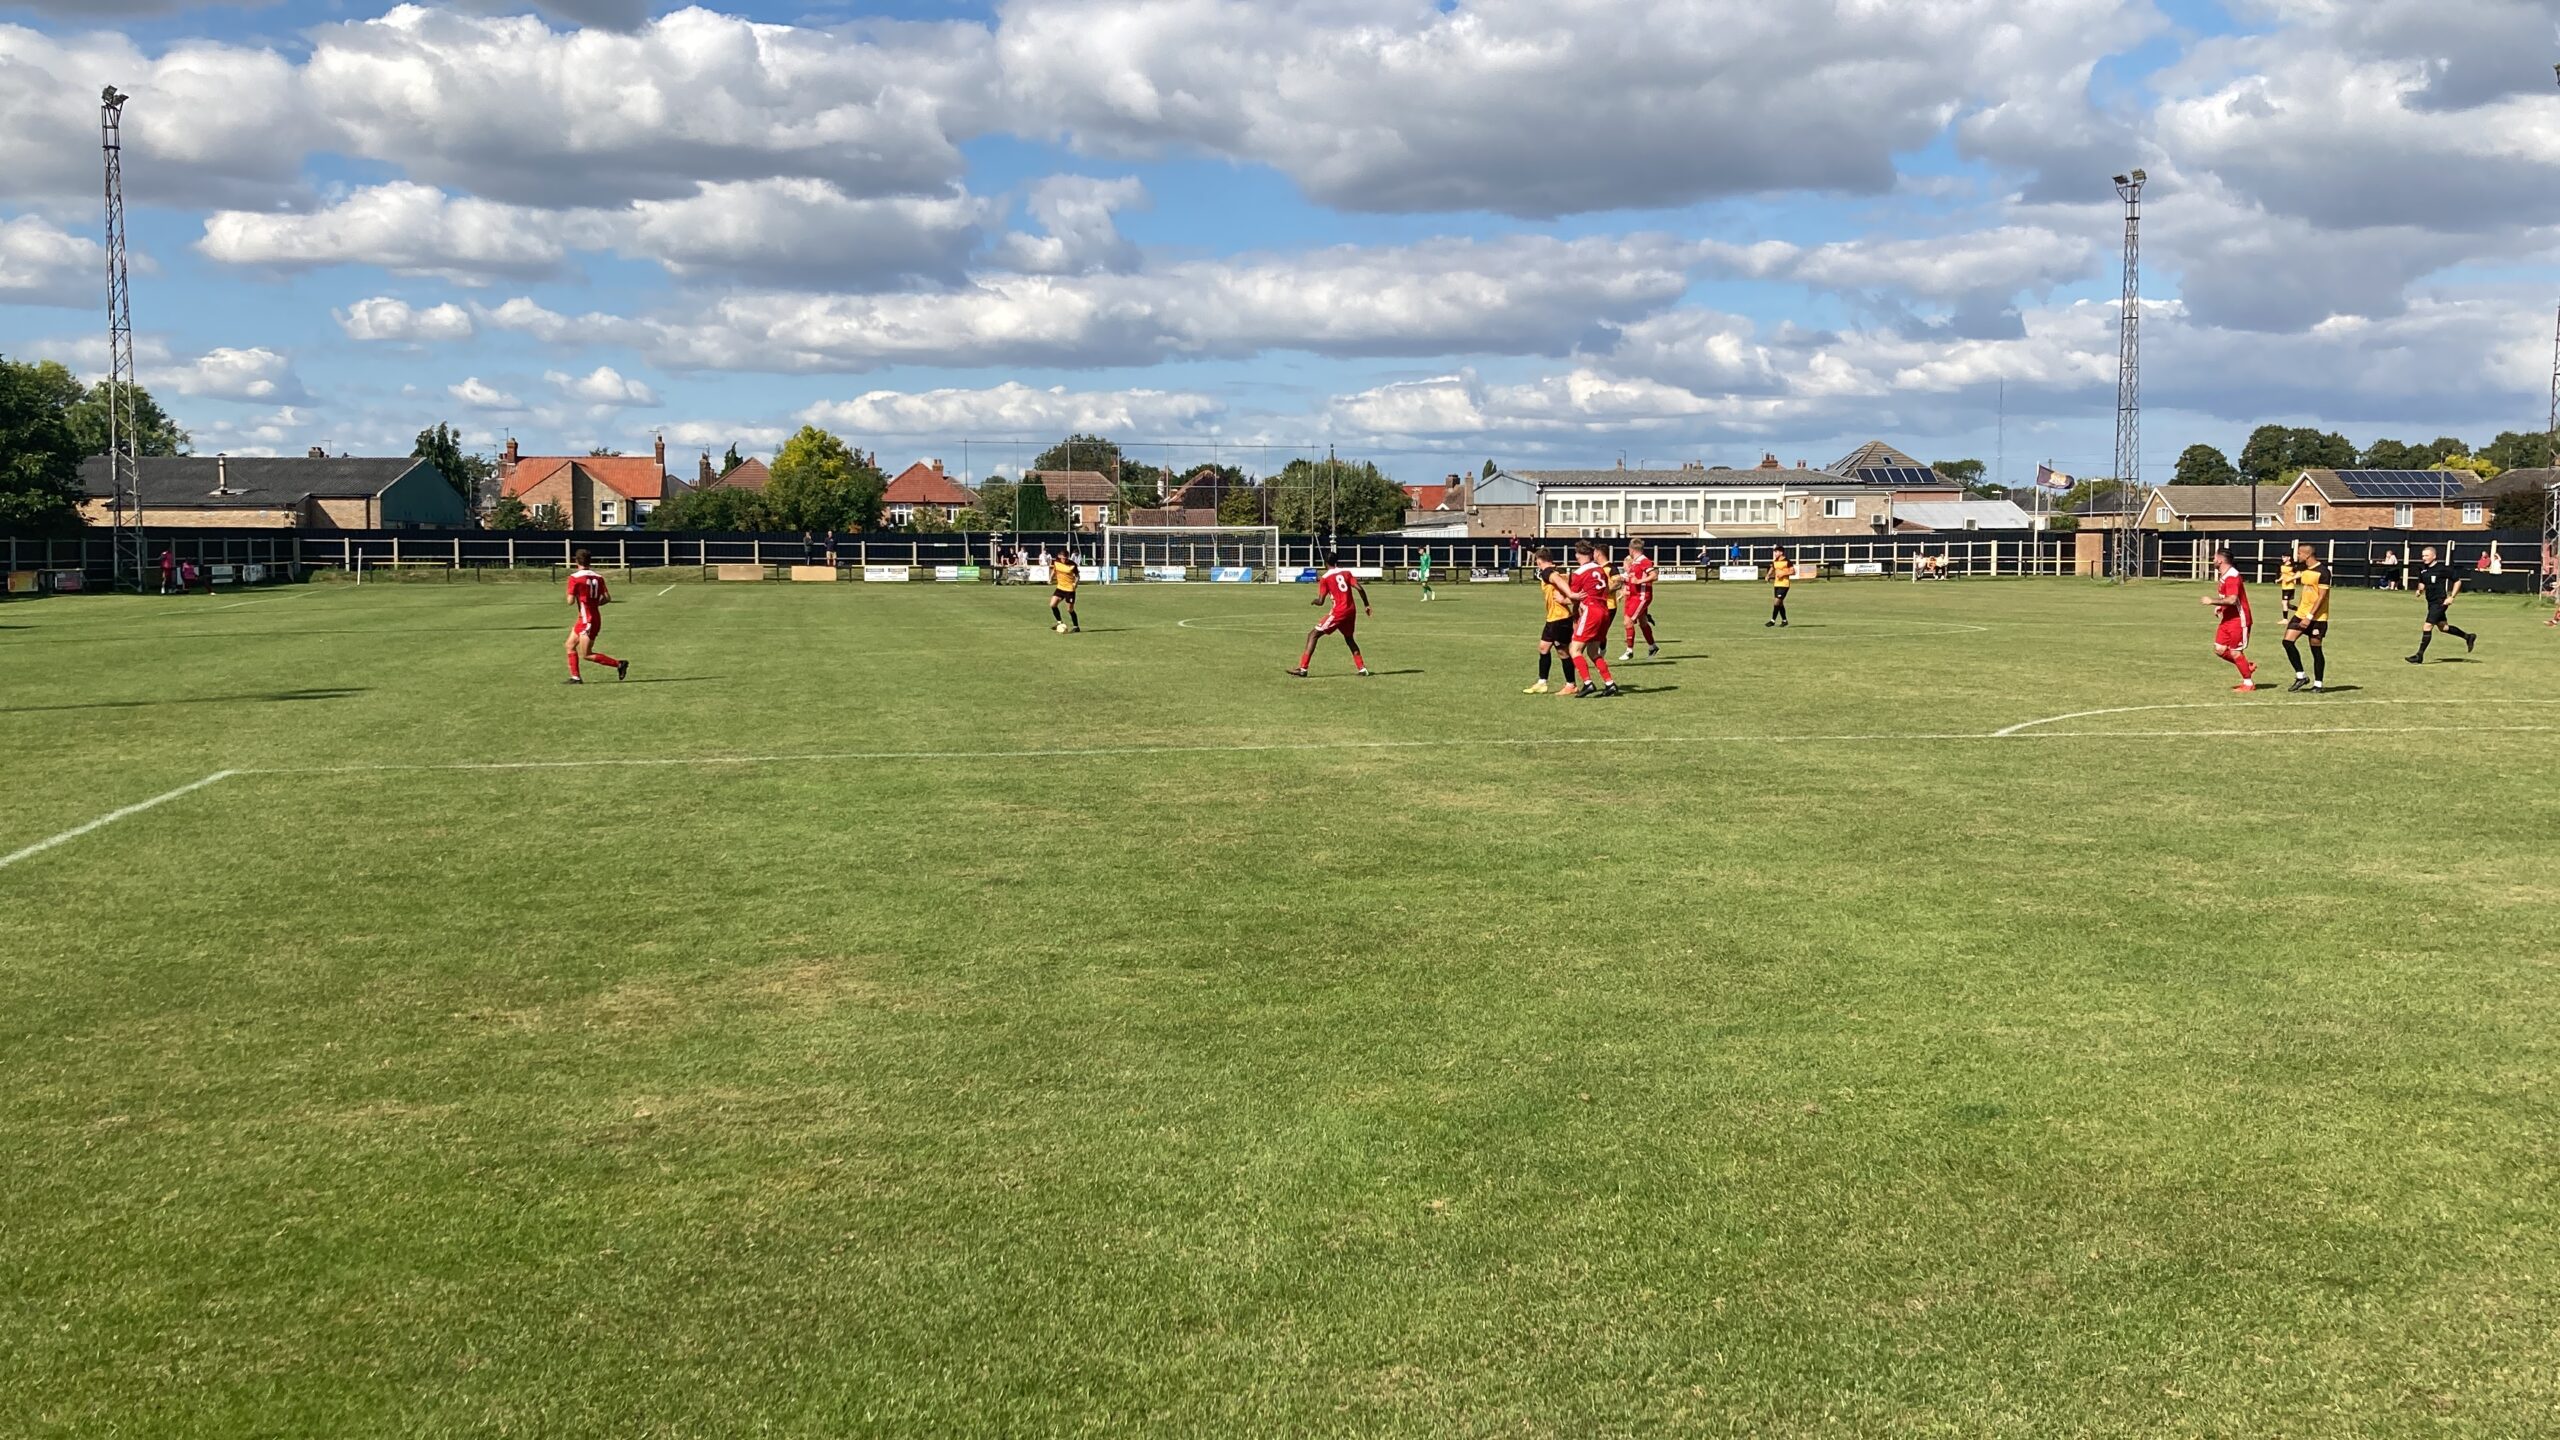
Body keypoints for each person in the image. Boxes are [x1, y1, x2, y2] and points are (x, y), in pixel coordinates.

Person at [1290, 553, 1371, 677]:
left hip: (1339, 612)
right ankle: (1362, 668)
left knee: (1313, 635)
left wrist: (1314, 601)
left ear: (1325, 563)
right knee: (1349, 638)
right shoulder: (1346, 573)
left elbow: (1321, 601)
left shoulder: (1325, 578)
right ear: (1336, 561)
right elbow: (1359, 588)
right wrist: (1366, 605)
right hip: (1351, 611)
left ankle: (1303, 668)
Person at [563, 549, 629, 684]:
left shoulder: (574, 578)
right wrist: (593, 605)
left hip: (587, 620)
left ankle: (619, 664)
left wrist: (572, 594)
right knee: (569, 645)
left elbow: (570, 601)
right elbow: (607, 598)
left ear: (576, 561)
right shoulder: (598, 577)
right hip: (589, 617)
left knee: (586, 654)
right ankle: (575, 677)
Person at [1565, 542, 1620, 697]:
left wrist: (1563, 600)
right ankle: (1610, 684)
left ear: (1577, 555)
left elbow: (1574, 597)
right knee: (1593, 651)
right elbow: (1607, 588)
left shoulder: (1578, 573)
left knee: (1574, 650)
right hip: (1605, 611)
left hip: (1591, 611)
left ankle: (1588, 683)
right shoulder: (1600, 569)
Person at [2406, 544, 2478, 664]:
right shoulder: (2423, 569)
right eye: (2423, 556)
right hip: (2431, 602)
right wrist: (2420, 590)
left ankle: (2419, 656)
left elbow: (2457, 581)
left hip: (2440, 602)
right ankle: (2468, 637)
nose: (2424, 558)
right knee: (2443, 627)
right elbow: (2422, 582)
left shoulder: (2443, 568)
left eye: (2426, 556)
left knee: (2427, 626)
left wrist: (2451, 597)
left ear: (2434, 556)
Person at [2201, 547, 2257, 691]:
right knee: (2219, 649)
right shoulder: (2225, 575)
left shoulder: (2232, 576)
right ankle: (2246, 666)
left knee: (2235, 651)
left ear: (2220, 560)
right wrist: (2220, 607)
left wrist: (2212, 601)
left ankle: (2248, 684)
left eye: (2214, 558)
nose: (2213, 560)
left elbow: (2232, 599)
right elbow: (2227, 598)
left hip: (2239, 619)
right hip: (2228, 619)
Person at [2281, 542, 2330, 693]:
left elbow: (2321, 597)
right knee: (2287, 642)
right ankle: (2301, 676)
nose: (2297, 556)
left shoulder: (2323, 572)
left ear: (2307, 554)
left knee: (2316, 650)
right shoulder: (2305, 569)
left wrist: (2309, 616)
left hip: (2317, 618)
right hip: (2300, 614)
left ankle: (2318, 684)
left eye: (2299, 553)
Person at [1525, 547, 1575, 694]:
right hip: (1553, 618)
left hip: (1560, 618)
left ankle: (1571, 685)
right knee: (1543, 648)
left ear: (1538, 561)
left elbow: (1558, 580)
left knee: (1563, 652)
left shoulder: (1548, 572)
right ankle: (1542, 682)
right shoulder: (1557, 571)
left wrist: (1569, 597)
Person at [1618, 537, 1659, 660]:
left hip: (1641, 596)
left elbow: (1654, 575)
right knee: (1643, 622)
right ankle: (1652, 646)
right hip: (1634, 596)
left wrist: (1639, 581)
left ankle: (1629, 651)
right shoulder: (1635, 562)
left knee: (1628, 621)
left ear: (1631, 549)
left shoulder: (1643, 561)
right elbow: (1632, 577)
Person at [1048, 548, 1081, 631]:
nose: (1065, 560)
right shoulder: (1056, 562)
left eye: (1066, 558)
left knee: (1070, 609)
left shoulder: (1072, 565)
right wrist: (1050, 578)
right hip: (1060, 588)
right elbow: (1054, 570)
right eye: (1063, 558)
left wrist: (1075, 583)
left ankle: (1076, 627)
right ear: (1059, 556)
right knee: (1052, 604)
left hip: (1069, 589)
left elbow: (1077, 576)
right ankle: (1059, 622)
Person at [1767, 547, 1794, 627]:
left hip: (1784, 585)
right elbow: (1772, 568)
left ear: (1781, 553)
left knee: (1776, 602)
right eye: (1775, 552)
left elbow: (1793, 571)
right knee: (1780, 603)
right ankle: (1784, 620)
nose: (1775, 554)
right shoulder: (1775, 561)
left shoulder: (1787, 561)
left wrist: (1783, 574)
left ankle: (1772, 621)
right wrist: (1768, 575)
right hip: (1777, 584)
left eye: (1776, 552)